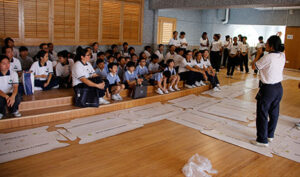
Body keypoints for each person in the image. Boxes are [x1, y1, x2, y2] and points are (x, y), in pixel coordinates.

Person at [251, 35, 285, 147]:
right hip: (278, 88)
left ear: (270, 46)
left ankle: (262, 140)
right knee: (274, 113)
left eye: (266, 44)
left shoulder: (267, 57)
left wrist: (259, 54)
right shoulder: (281, 55)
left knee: (262, 114)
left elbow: (253, 67)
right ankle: (270, 135)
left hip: (268, 89)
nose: (265, 45)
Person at [0, 55, 22, 119]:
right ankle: (1, 112)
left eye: (8, 63)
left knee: (18, 97)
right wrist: (6, 96)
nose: (7, 65)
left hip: (10, 93)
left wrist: (12, 96)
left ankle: (14, 110)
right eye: (4, 63)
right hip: (1, 94)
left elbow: (15, 87)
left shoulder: (13, 73)